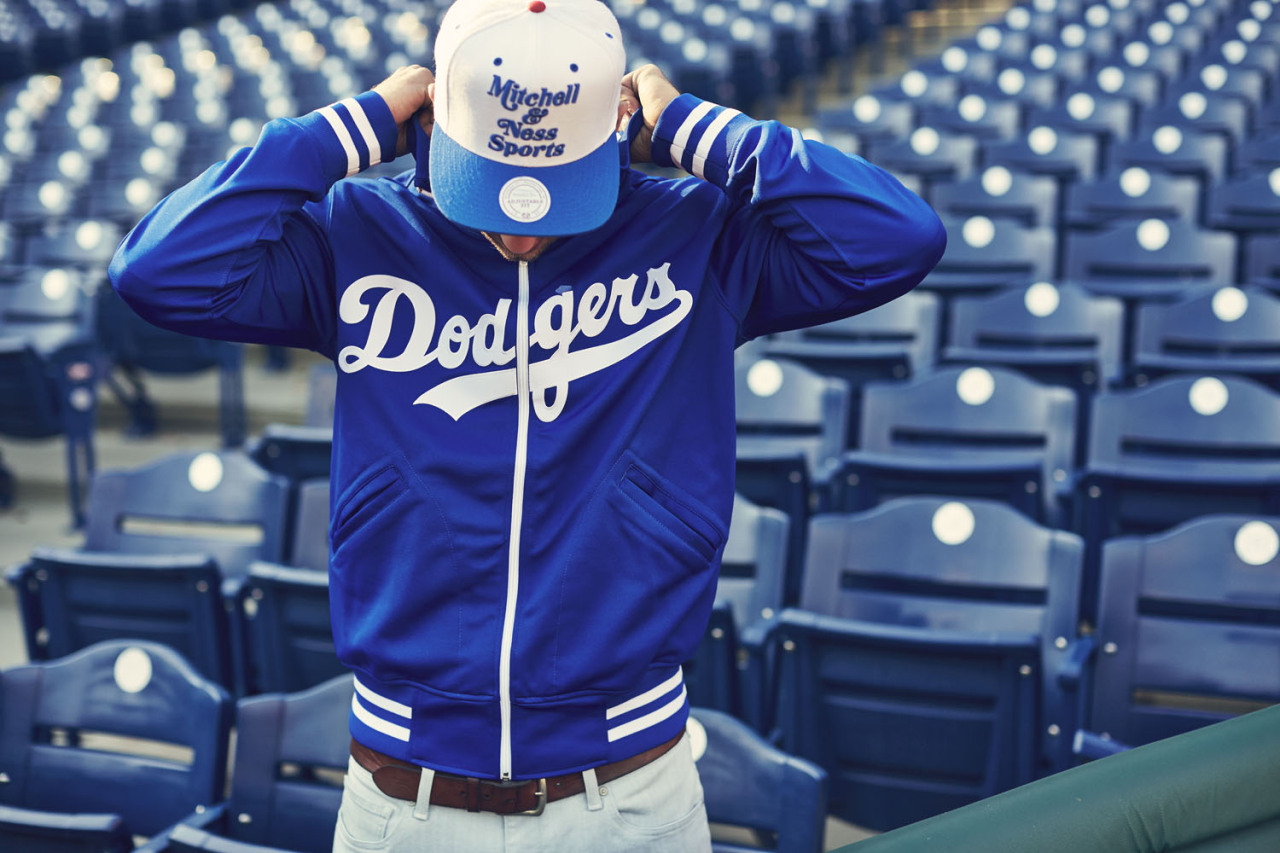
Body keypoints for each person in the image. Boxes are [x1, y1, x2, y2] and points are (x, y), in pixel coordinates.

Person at [108, 0, 946, 849]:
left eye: (555, 195)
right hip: (401, 796)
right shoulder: (357, 235)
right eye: (490, 178)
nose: (518, 227)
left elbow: (896, 237)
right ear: (431, 117)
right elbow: (159, 271)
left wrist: (690, 122)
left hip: (631, 793)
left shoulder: (696, 236)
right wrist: (350, 126)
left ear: (619, 125)